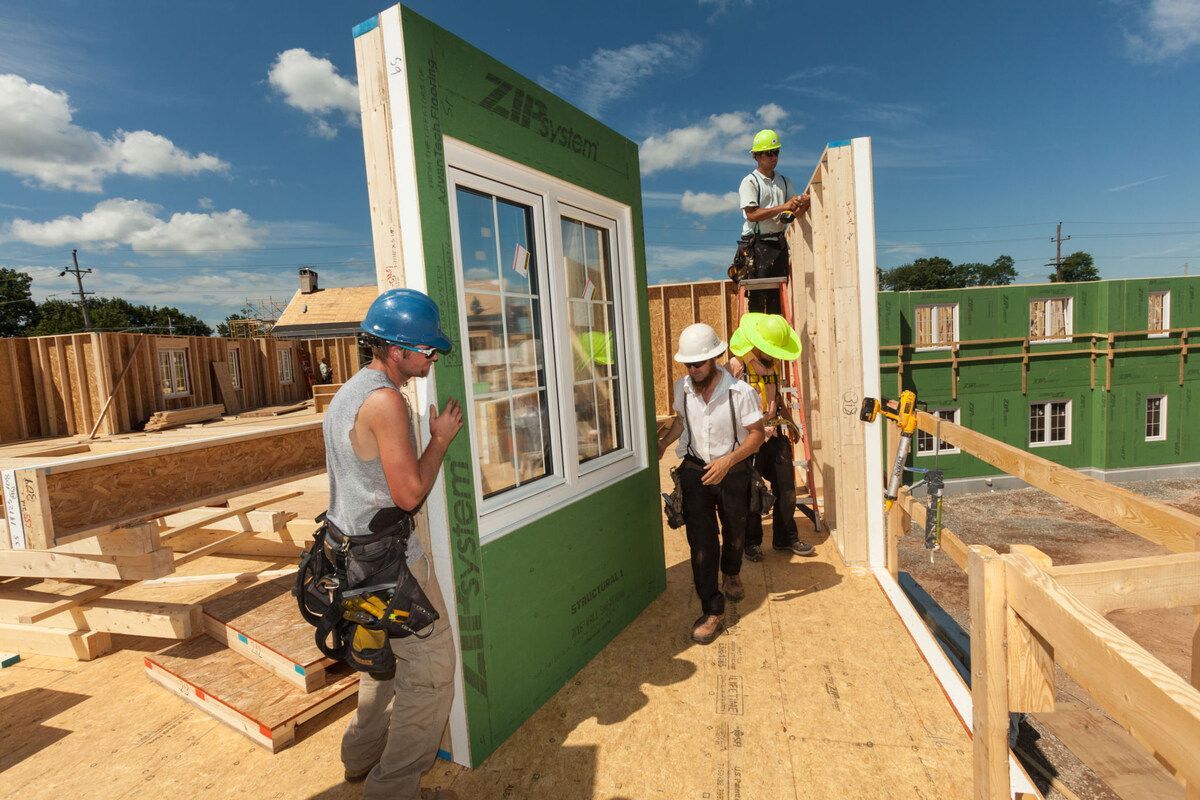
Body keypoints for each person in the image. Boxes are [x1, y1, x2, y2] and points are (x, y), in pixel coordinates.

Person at [325, 288, 462, 800]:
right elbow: (408, 496)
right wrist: (441, 440)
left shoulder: (351, 390)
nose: (432, 357)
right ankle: (392, 791)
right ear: (396, 349)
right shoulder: (385, 402)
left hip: (351, 561)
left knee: (380, 662)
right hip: (388, 565)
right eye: (426, 350)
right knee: (430, 677)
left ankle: (358, 758)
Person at [657, 323, 765, 644]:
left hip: (732, 468)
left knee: (735, 530)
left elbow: (757, 435)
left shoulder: (740, 393)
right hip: (695, 470)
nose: (692, 370)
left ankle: (731, 572)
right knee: (702, 542)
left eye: (698, 363)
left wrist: (728, 461)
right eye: (688, 364)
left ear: (715, 358)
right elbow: (680, 422)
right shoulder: (683, 388)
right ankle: (712, 609)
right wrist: (662, 442)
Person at [727, 313, 815, 560]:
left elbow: (775, 399)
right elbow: (723, 405)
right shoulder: (736, 366)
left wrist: (789, 420)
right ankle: (751, 543)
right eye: (772, 349)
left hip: (774, 435)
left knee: (786, 487)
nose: (776, 354)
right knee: (753, 490)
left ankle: (786, 538)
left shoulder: (773, 365)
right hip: (747, 440)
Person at [738, 129, 810, 314]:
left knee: (776, 302)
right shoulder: (750, 182)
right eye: (769, 153)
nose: (773, 157)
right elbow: (752, 214)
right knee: (757, 302)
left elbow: (794, 214)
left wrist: (803, 204)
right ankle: (758, 341)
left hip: (778, 244)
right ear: (757, 156)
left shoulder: (783, 182)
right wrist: (783, 206)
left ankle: (775, 340)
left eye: (776, 152)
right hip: (756, 245)